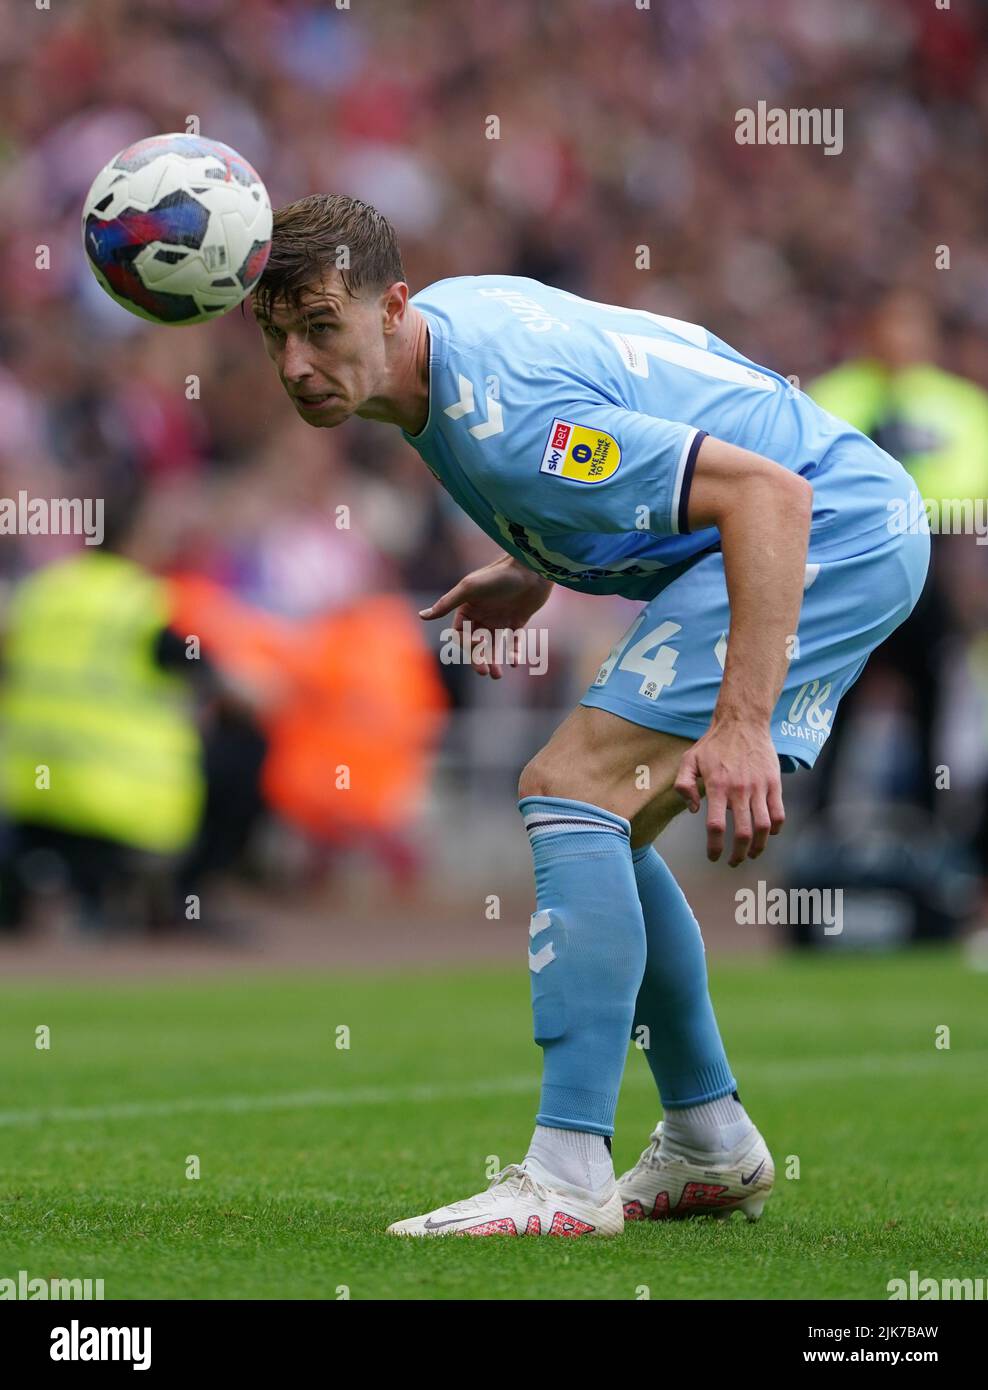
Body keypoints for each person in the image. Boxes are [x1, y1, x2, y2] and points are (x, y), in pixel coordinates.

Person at [249, 194, 930, 1239]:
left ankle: (568, 1171)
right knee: (602, 817)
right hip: (818, 517)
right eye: (277, 335)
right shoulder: (444, 337)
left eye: (321, 329)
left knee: (567, 789)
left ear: (390, 306)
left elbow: (768, 498)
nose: (296, 365)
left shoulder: (507, 421)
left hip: (822, 526)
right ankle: (707, 1136)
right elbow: (609, 396)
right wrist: (538, 554)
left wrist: (741, 723)